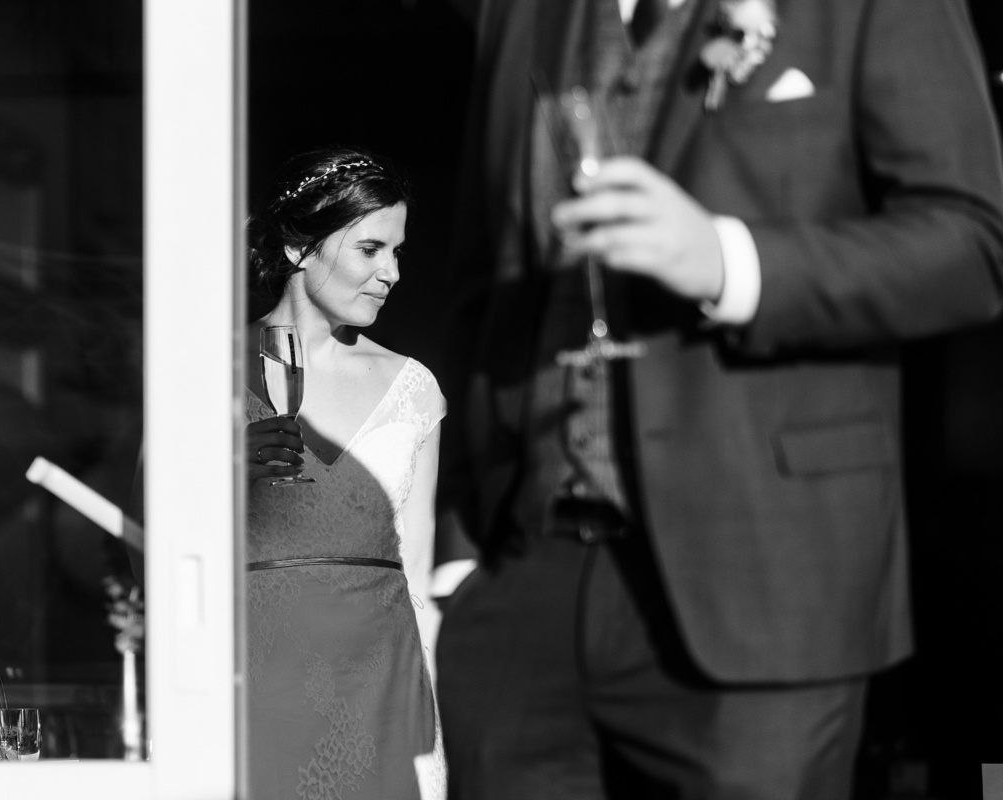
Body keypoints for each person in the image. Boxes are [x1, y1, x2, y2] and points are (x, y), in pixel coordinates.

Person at [433, 0, 1003, 798]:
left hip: (766, 580)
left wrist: (727, 265)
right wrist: (461, 548)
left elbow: (970, 247)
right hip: (527, 586)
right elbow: (480, 277)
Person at [244, 145, 446, 800]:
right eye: (370, 250)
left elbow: (417, 574)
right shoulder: (201, 369)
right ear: (300, 246)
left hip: (384, 693)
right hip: (253, 687)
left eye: (398, 252)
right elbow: (151, 546)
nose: (391, 272)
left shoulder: (413, 388)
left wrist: (432, 737)